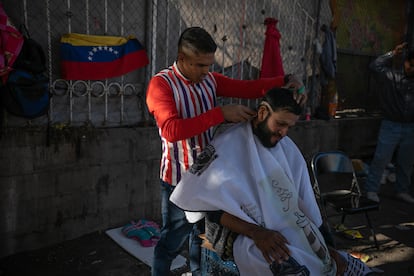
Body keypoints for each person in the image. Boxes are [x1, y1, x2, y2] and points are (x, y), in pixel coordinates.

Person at [145, 26, 306, 275]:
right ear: (182, 58)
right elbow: (170, 130)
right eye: (200, 65)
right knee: (171, 242)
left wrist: (286, 81)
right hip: (178, 180)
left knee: (201, 238)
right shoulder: (161, 85)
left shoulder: (209, 80)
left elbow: (248, 88)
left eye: (209, 65)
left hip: (207, 179)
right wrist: (220, 114)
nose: (206, 71)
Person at [170, 88, 375, 275]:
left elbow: (306, 202)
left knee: (342, 266)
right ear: (262, 114)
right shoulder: (228, 146)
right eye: (280, 123)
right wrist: (257, 232)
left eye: (289, 127)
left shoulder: (287, 149)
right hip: (242, 233)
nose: (284, 132)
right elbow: (211, 209)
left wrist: (328, 246)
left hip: (292, 227)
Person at [364, 42, 414, 204]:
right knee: (381, 158)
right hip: (391, 124)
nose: (412, 69)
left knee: (406, 162)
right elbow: (374, 66)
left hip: (410, 126)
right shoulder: (392, 76)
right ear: (406, 61)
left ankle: (402, 190)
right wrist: (392, 53)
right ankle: (371, 189)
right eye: (410, 65)